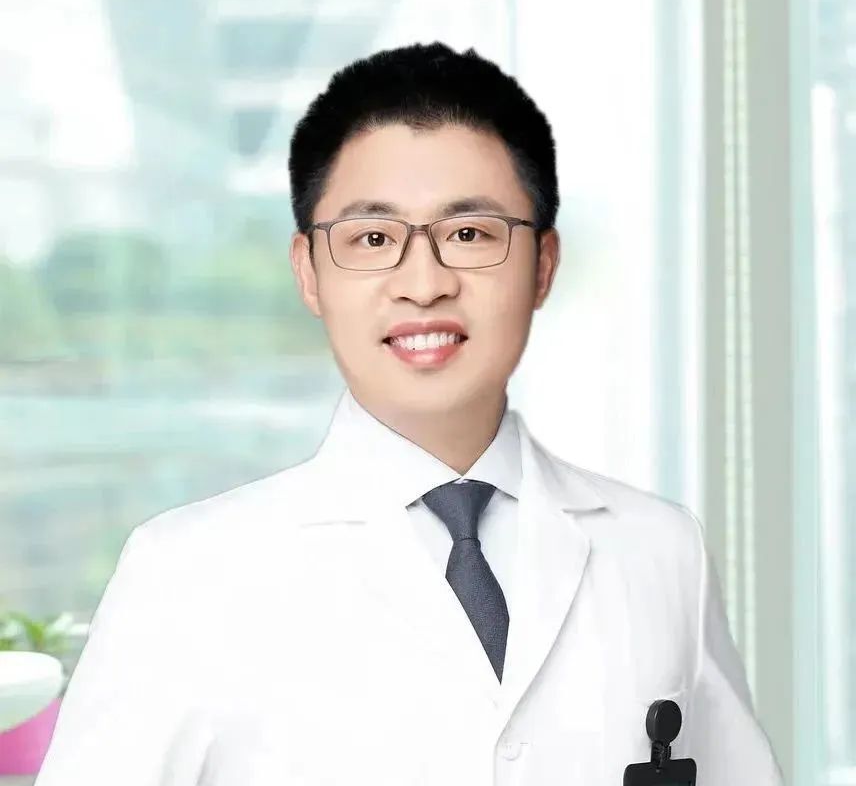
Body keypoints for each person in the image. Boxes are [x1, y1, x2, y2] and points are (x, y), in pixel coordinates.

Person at [34, 42, 784, 786]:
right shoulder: (186, 574)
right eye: (373, 238)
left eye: (470, 234)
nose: (423, 284)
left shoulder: (660, 550)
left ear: (544, 265)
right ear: (308, 272)